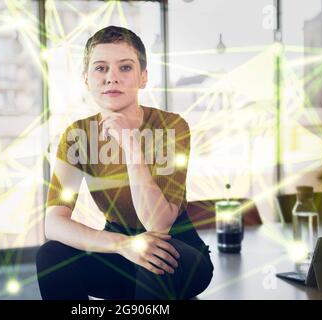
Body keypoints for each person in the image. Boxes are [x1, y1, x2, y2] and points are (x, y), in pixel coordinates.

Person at [36, 26, 213, 300]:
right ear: (86, 79)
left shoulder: (171, 126)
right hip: (119, 252)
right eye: (101, 68)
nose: (111, 78)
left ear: (143, 77)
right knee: (51, 254)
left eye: (125, 68)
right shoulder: (78, 135)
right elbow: (54, 223)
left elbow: (158, 224)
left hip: (176, 251)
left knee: (153, 255)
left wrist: (130, 143)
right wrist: (122, 244)